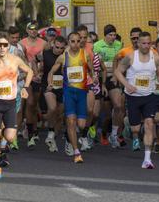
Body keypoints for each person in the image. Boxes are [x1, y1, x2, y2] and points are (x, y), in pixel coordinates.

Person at [0, 32, 33, 179]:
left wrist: (25, 88)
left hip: (10, 103)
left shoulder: (15, 60)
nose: (2, 48)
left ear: (9, 46)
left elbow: (29, 71)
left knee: (9, 137)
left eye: (5, 45)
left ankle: (3, 149)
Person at [114, 32, 159, 169]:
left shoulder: (155, 57)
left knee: (149, 124)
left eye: (149, 43)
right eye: (143, 43)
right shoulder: (131, 57)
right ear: (138, 43)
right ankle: (136, 136)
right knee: (135, 127)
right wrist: (127, 85)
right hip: (133, 97)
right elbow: (118, 72)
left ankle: (147, 159)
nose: (146, 46)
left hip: (150, 96)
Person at [47, 32, 94, 163]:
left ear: (81, 42)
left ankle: (76, 138)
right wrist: (50, 82)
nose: (75, 44)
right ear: (68, 42)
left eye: (78, 41)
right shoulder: (63, 57)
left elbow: (91, 70)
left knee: (81, 124)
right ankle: (76, 151)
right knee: (71, 121)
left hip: (81, 93)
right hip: (68, 93)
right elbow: (51, 71)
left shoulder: (85, 55)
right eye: (72, 41)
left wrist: (94, 77)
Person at [93, 24, 123, 147]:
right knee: (99, 112)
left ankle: (114, 134)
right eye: (110, 35)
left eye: (114, 35)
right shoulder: (97, 46)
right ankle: (91, 132)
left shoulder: (118, 45)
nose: (113, 37)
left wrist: (118, 76)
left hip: (113, 78)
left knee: (118, 105)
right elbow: (95, 64)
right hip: (99, 79)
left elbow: (121, 61)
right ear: (104, 36)